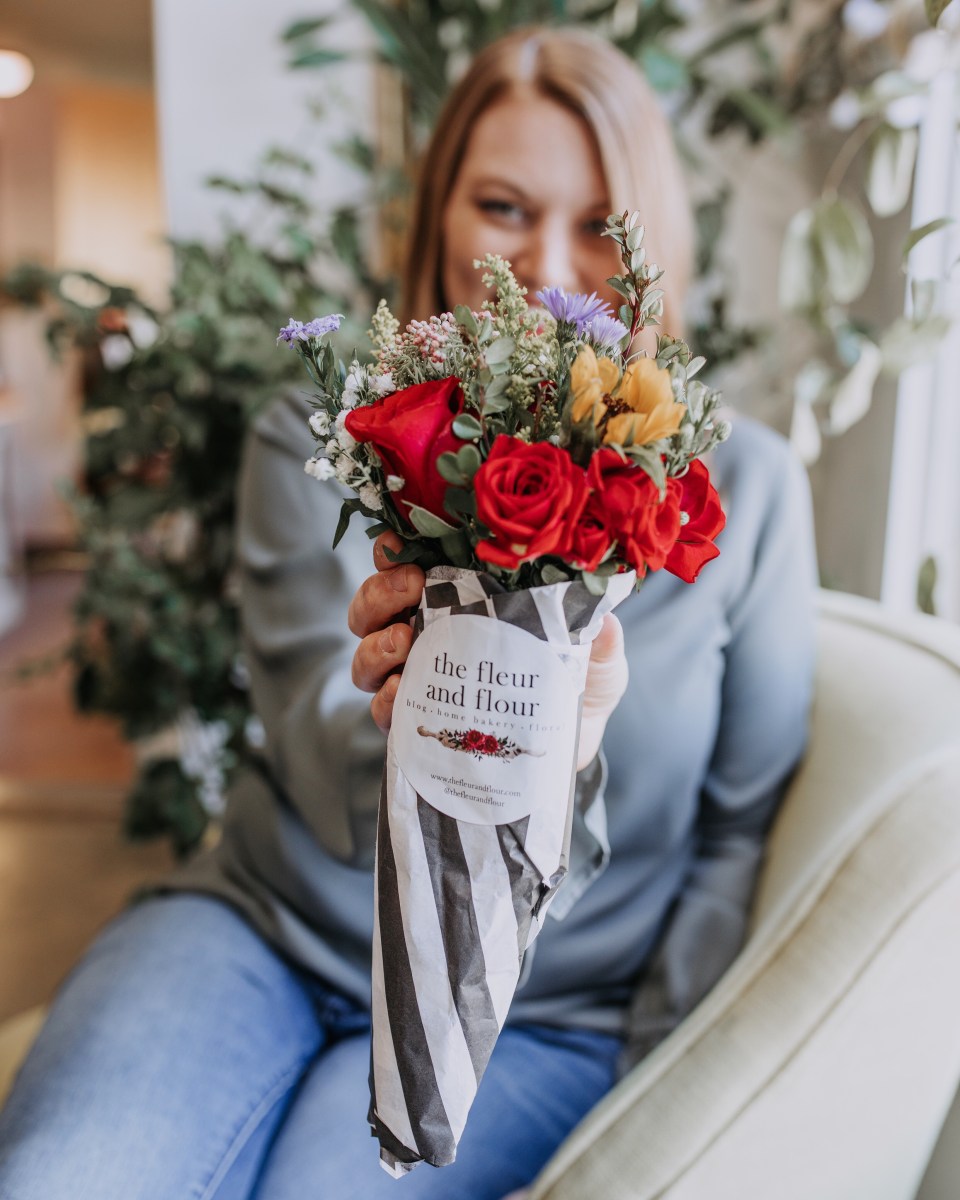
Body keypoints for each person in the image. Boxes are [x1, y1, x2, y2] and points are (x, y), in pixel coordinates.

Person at [0, 26, 816, 1200]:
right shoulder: (325, 440)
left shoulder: (753, 492)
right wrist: (468, 710)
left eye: (597, 223)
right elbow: (322, 762)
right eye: (502, 207)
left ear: (650, 242)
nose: (547, 262)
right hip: (273, 938)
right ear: (437, 217)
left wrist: (666, 1088)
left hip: (537, 1009)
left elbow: (737, 835)